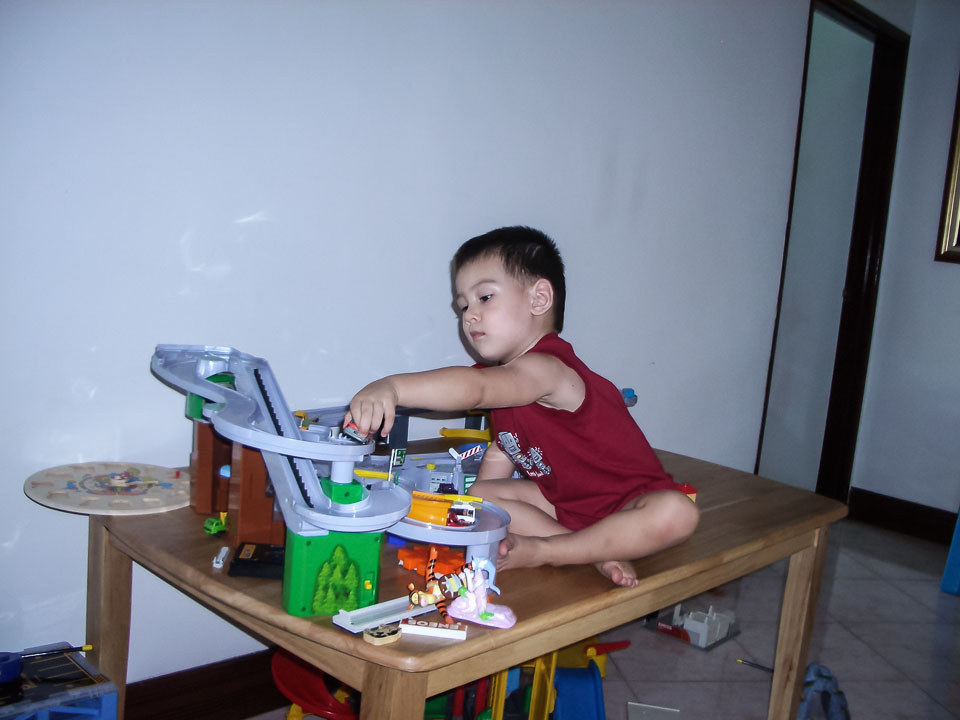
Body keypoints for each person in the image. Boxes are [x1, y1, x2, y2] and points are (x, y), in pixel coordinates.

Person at [345, 226, 699, 587]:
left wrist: (393, 387)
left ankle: (547, 550)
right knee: (480, 494)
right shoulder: (506, 383)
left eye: (484, 297)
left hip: (631, 504)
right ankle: (593, 550)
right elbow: (505, 449)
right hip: (568, 507)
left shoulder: (546, 368)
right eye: (463, 306)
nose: (469, 315)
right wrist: (481, 516)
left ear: (539, 299)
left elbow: (476, 390)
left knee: (677, 512)